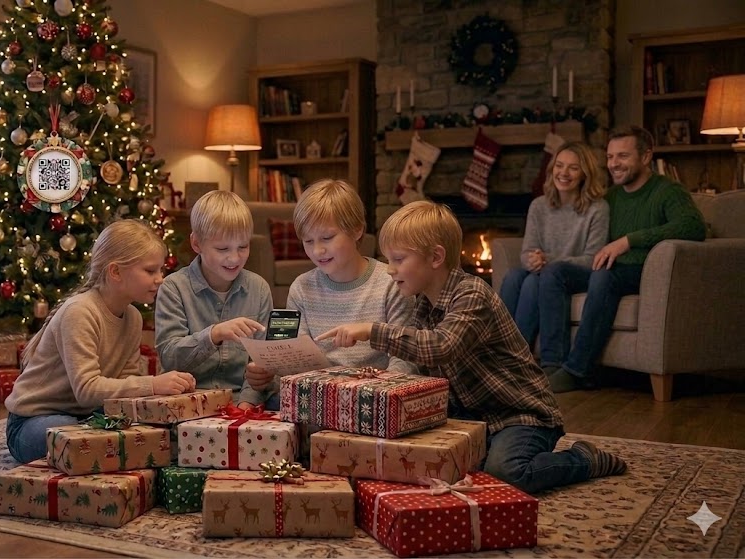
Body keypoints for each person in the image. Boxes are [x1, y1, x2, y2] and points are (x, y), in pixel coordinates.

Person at [316, 201, 627, 494]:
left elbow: (441, 347)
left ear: (436, 258)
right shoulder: (424, 304)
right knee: (423, 460)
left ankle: (583, 458)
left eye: (399, 260)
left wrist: (372, 331)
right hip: (470, 416)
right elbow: (420, 362)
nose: (390, 269)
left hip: (519, 415)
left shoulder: (472, 294)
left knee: (507, 472)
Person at [4, 219, 197, 464]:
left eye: (160, 270)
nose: (160, 279)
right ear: (115, 271)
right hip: (34, 421)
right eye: (150, 271)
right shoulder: (80, 312)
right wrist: (154, 384)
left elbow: (125, 384)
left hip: (88, 415)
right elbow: (87, 390)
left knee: (136, 433)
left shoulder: (133, 317)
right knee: (71, 432)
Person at [539, 126, 706, 393]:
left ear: (646, 156)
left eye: (623, 156)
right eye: (610, 157)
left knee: (604, 277)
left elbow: (693, 226)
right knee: (555, 272)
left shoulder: (667, 191)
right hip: (608, 269)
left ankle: (578, 370)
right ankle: (550, 364)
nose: (614, 164)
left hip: (646, 272)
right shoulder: (611, 197)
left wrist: (629, 240)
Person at [245, 179, 415, 407]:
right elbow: (289, 367)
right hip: (316, 400)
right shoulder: (300, 288)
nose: (318, 250)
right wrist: (267, 377)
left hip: (375, 400)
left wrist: (371, 397)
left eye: (327, 238)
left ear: (357, 230)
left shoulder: (391, 283)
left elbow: (405, 361)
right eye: (308, 241)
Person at [153, 190, 272, 409]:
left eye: (243, 247)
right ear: (196, 244)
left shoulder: (259, 289)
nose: (234, 258)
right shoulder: (174, 288)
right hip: (187, 403)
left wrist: (246, 405)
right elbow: (170, 357)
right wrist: (213, 334)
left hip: (241, 403)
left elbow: (260, 365)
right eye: (222, 249)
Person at [500, 141, 609, 347]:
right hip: (543, 272)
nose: (564, 173)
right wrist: (533, 261)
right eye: (559, 165)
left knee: (534, 281)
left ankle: (517, 355)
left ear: (585, 173)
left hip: (575, 275)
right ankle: (498, 349)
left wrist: (547, 260)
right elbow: (527, 253)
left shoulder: (598, 208)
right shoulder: (539, 206)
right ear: (552, 169)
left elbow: (592, 259)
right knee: (515, 276)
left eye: (573, 168)